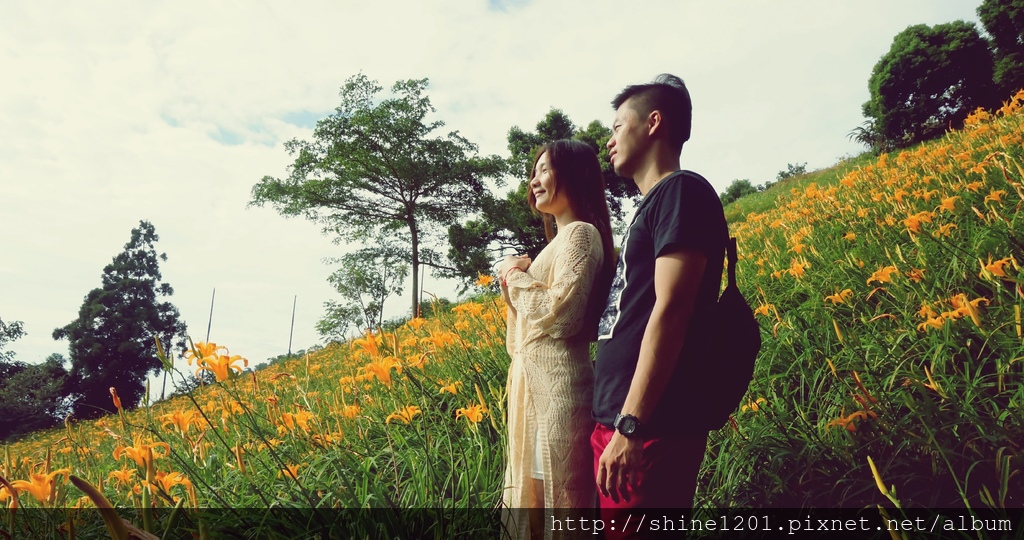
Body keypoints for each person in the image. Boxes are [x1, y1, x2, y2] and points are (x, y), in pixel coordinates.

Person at [591, 74, 728, 532]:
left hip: (649, 427)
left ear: (653, 123)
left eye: (616, 126)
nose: (608, 139)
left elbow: (672, 309)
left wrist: (631, 426)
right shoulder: (652, 206)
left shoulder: (680, 192)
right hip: (622, 424)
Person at [498, 139, 616, 540]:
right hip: (534, 394)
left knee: (559, 510)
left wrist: (514, 276)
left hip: (559, 394)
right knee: (537, 509)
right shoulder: (557, 243)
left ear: (576, 174)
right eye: (534, 172)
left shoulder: (581, 235)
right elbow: (520, 340)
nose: (534, 180)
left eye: (545, 169)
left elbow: (562, 316)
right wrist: (513, 281)